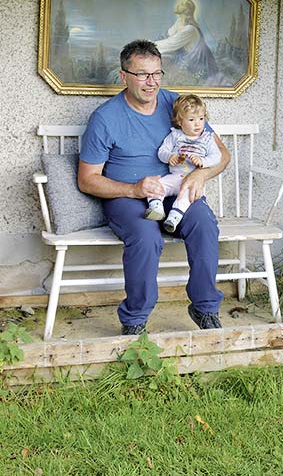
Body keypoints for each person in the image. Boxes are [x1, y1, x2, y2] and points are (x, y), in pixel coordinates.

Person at [77, 40, 229, 336]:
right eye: (143, 75)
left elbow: (222, 154)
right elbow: (87, 179)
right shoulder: (105, 118)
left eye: (157, 74)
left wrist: (202, 175)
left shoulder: (177, 106)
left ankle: (205, 306)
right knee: (147, 236)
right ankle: (135, 317)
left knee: (204, 223)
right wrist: (134, 189)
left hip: (176, 189)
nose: (152, 82)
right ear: (123, 76)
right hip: (127, 196)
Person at [149, 94, 221, 233]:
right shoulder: (175, 135)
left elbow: (217, 156)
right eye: (191, 119)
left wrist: (203, 161)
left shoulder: (207, 138)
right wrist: (170, 157)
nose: (198, 123)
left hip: (193, 180)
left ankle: (174, 218)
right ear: (180, 122)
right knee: (157, 185)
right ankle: (156, 207)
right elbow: (161, 151)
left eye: (201, 118)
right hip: (175, 176)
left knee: (187, 196)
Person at [154, 0, 218, 81]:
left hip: (196, 61)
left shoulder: (190, 29)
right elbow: (169, 34)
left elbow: (172, 43)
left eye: (181, 4)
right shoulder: (180, 22)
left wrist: (151, 44)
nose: (178, 5)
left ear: (185, 10)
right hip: (185, 56)